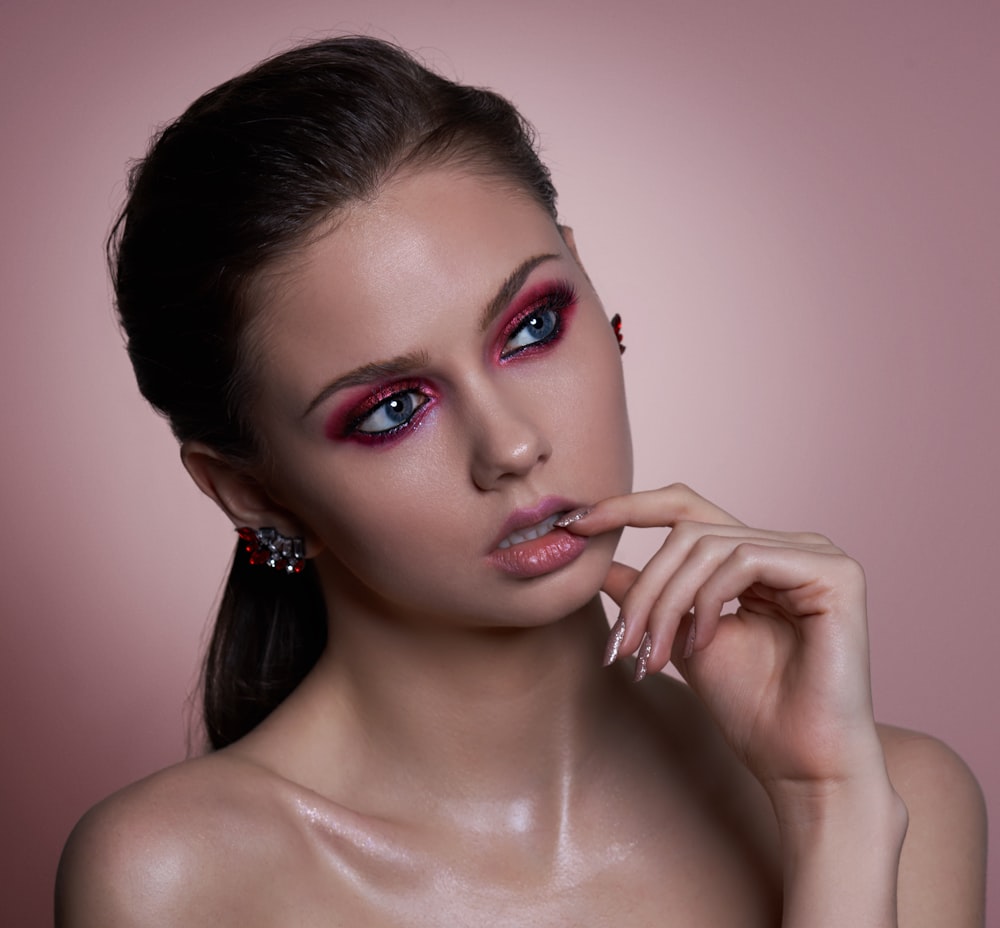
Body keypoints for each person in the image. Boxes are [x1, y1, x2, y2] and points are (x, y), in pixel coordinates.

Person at [55, 36, 986, 926]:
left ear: (588, 277)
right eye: (391, 410)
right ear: (252, 492)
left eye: (532, 329)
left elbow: (853, 808)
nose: (509, 446)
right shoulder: (173, 880)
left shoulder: (892, 801)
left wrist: (827, 808)